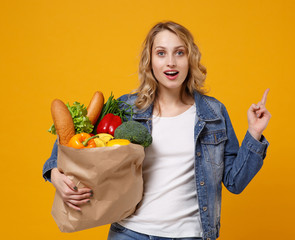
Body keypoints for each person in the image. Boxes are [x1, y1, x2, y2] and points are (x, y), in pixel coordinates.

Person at [43, 21, 271, 240]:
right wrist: (54, 173)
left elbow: (235, 182)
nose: (170, 62)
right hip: (130, 232)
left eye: (179, 53)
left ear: (190, 59)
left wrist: (254, 134)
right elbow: (76, 137)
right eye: (161, 53)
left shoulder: (213, 113)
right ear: (150, 61)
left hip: (190, 235)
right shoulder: (127, 109)